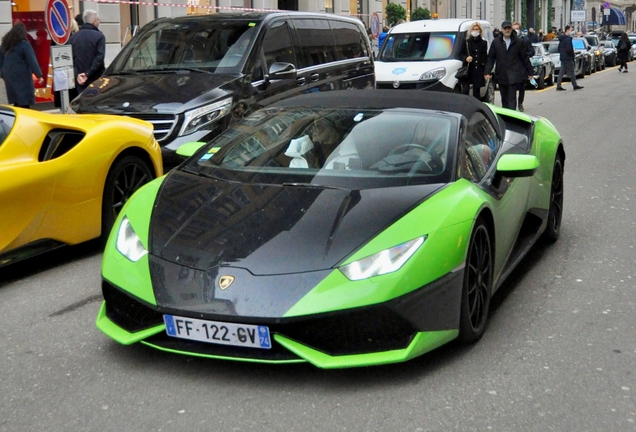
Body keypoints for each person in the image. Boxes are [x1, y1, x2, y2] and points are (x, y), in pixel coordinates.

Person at [484, 20, 534, 111]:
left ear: (511, 29)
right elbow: (491, 58)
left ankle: (512, 119)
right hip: (501, 74)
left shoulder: (518, 42)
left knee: (512, 98)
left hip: (513, 74)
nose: (507, 30)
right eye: (505, 28)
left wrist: (530, 72)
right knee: (504, 99)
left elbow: (524, 57)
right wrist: (487, 71)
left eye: (509, 28)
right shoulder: (496, 42)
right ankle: (506, 120)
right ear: (502, 30)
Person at [0, 22, 44, 108]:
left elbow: (0, 60)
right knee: (24, 100)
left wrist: (2, 74)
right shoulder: (24, 44)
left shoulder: (5, 45)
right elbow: (32, 60)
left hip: (8, 75)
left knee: (16, 99)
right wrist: (39, 75)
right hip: (22, 76)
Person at [69, 9, 105, 94]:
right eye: (98, 20)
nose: (99, 22)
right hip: (96, 77)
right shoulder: (99, 36)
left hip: (80, 80)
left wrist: (77, 74)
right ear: (94, 21)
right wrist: (88, 73)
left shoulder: (73, 37)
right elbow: (100, 57)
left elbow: (70, 58)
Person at [460, 22, 488, 100]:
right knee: (465, 91)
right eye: (473, 29)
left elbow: (485, 58)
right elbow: (460, 54)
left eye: (477, 29)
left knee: (476, 92)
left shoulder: (483, 43)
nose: (475, 31)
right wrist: (466, 58)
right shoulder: (466, 42)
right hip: (468, 70)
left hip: (478, 70)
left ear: (480, 31)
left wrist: (486, 72)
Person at [512, 21, 534, 112]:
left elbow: (532, 52)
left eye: (517, 28)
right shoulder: (509, 40)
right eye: (514, 29)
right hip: (512, 67)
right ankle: (512, 104)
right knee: (512, 86)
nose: (516, 30)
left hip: (522, 67)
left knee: (521, 87)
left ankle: (520, 103)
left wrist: (524, 55)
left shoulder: (525, 39)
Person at [556, 25, 583, 91]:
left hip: (563, 57)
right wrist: (572, 55)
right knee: (571, 72)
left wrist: (563, 53)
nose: (572, 31)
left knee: (561, 72)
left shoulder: (562, 39)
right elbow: (569, 49)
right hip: (568, 58)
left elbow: (559, 49)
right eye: (571, 30)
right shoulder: (568, 39)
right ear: (567, 30)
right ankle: (575, 85)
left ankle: (558, 85)